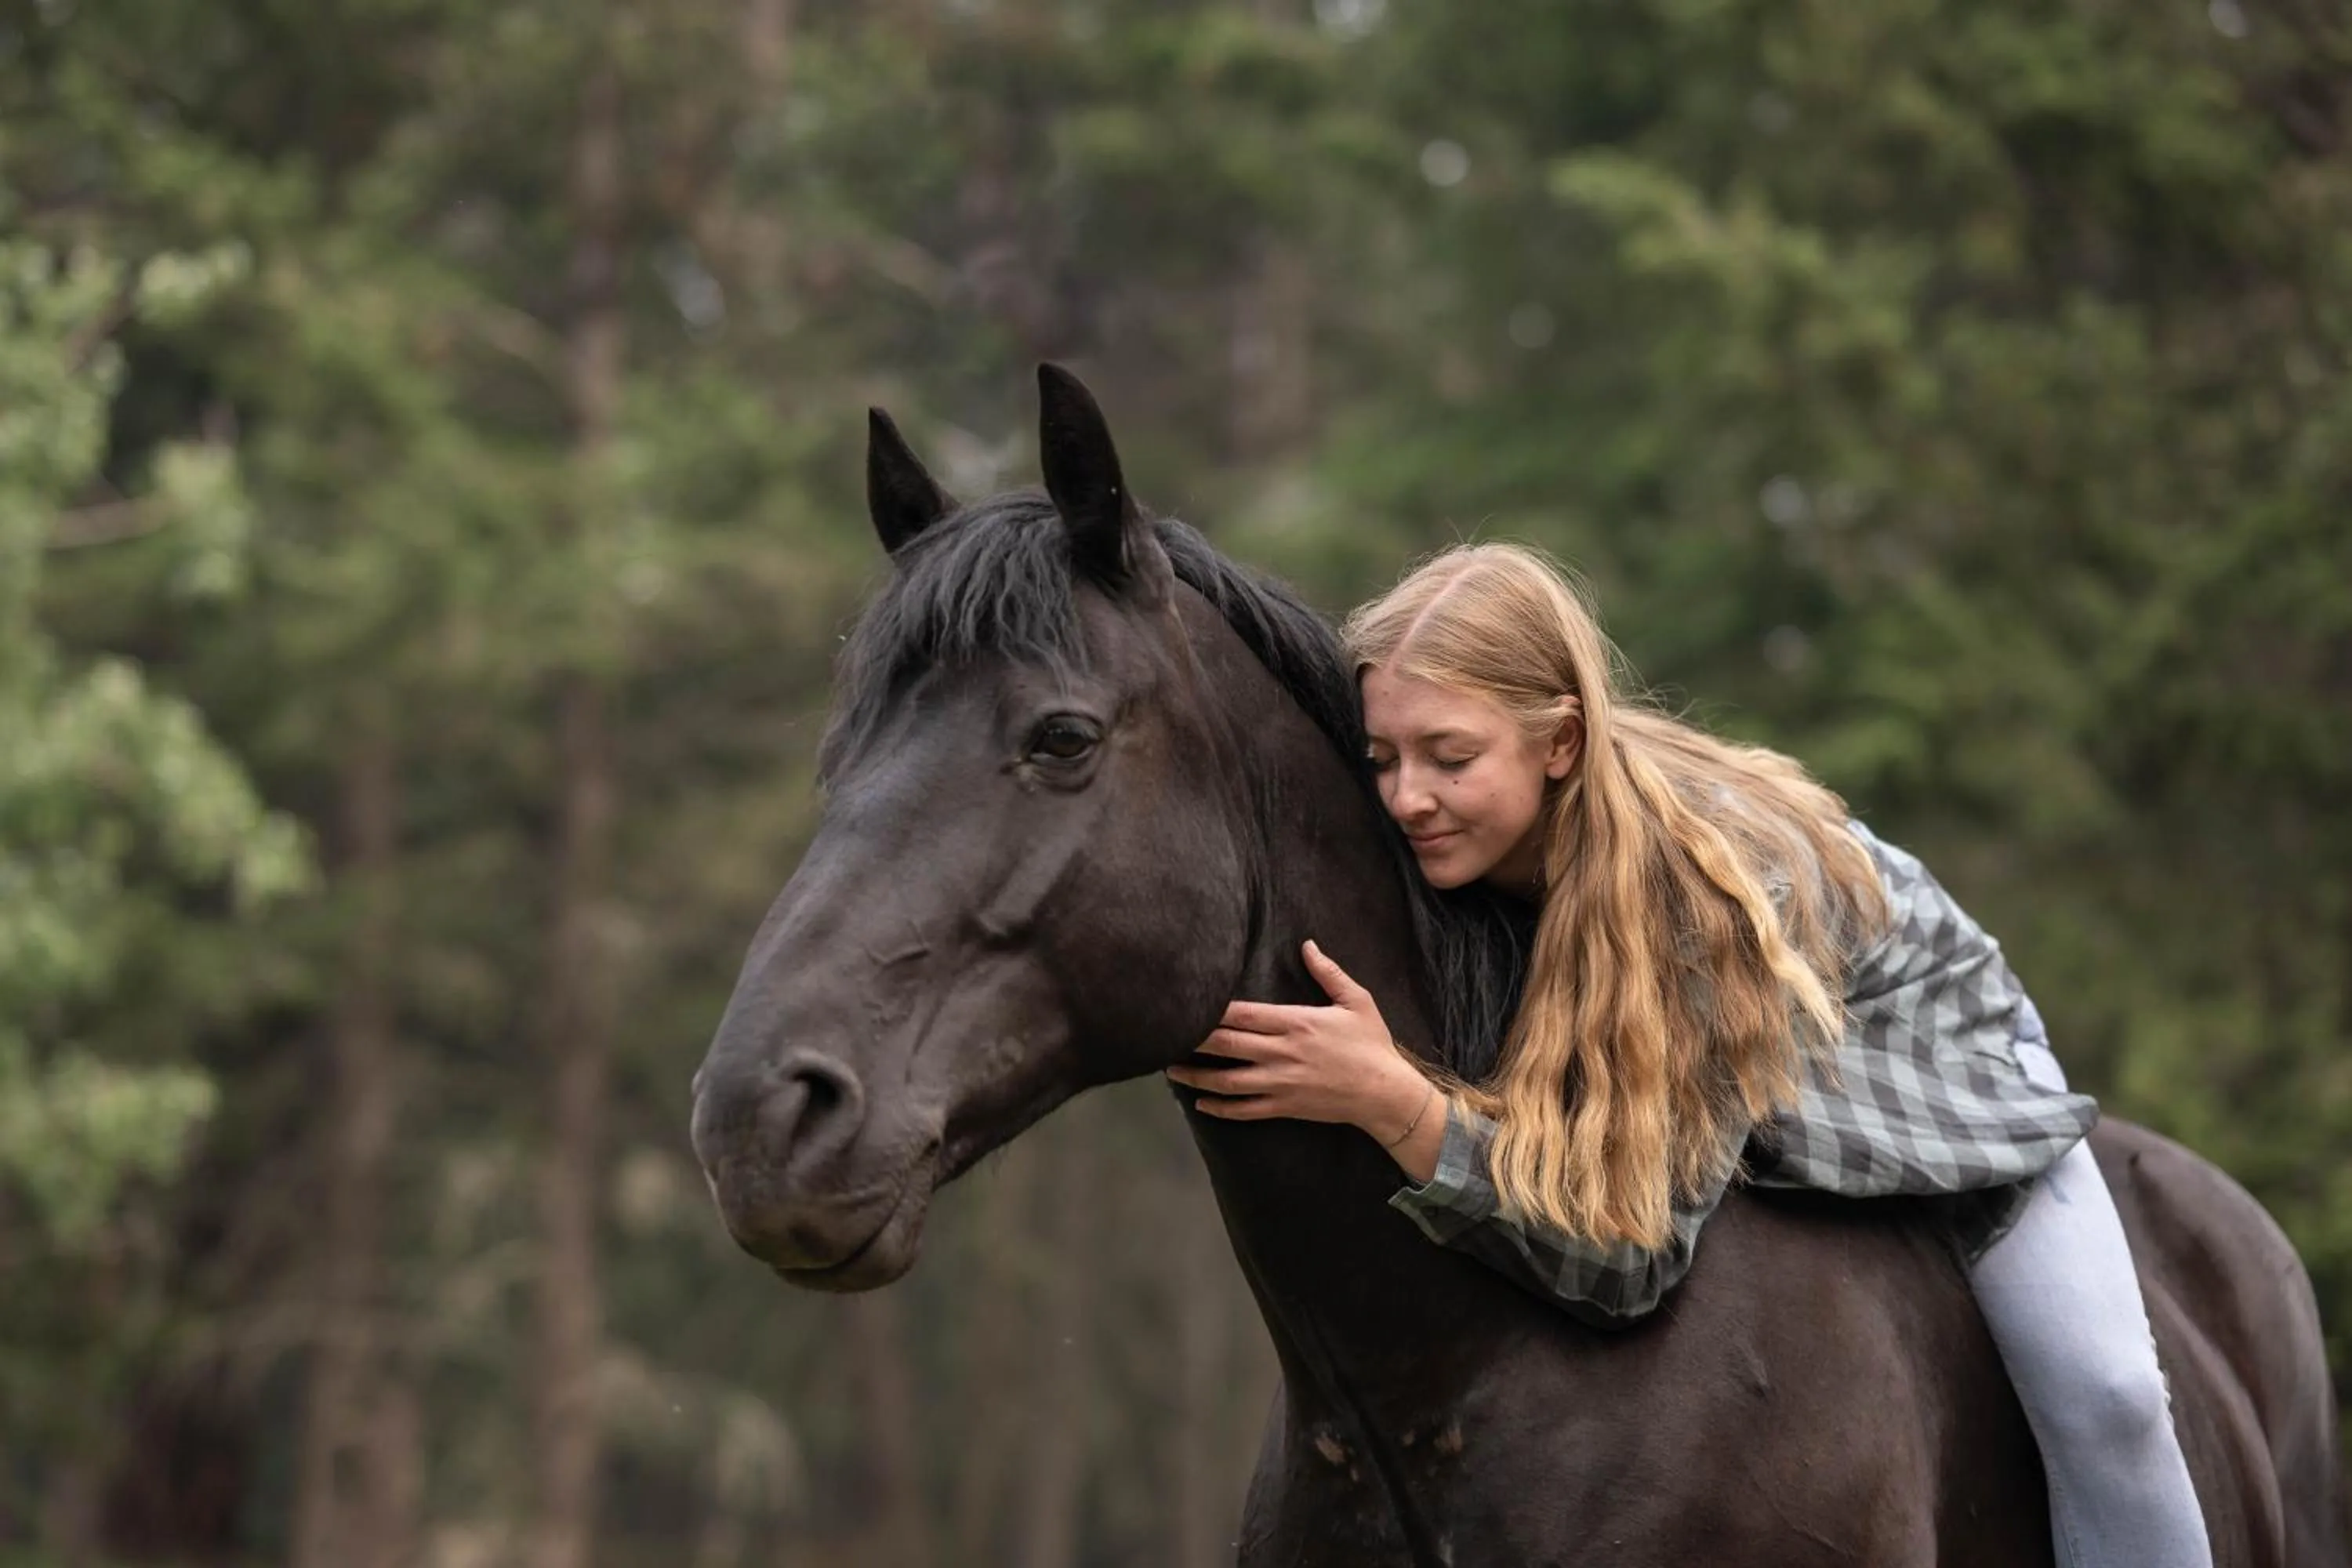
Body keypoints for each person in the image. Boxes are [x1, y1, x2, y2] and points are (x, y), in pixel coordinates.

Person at [1163, 543, 2210, 1568]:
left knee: (2111, 1397)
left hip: (1936, 1050)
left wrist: (1392, 1101)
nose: (1406, 799)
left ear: (1562, 743)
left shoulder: (1693, 909)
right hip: (1752, 1031)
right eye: (1384, 758)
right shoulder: (1457, 833)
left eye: (1451, 758)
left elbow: (1625, 1257)